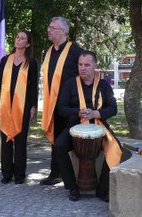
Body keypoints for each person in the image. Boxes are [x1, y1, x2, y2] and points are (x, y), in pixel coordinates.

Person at [55, 51, 122, 201]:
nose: (83, 68)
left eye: (87, 65)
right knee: (59, 146)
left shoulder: (104, 85)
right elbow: (61, 108)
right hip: (74, 127)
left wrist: (96, 113)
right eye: (80, 65)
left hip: (99, 126)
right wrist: (77, 112)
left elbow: (113, 109)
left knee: (116, 148)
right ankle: (72, 187)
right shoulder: (70, 84)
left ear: (94, 66)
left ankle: (103, 188)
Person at [40, 16, 84, 185]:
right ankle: (55, 173)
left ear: (63, 31)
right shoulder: (49, 51)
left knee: (71, 140)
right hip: (53, 103)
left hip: (71, 105)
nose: (49, 30)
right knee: (55, 139)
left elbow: (83, 75)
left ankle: (75, 176)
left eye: (52, 28)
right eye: (49, 27)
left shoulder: (76, 52)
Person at [0, 30, 38, 185]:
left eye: (22, 38)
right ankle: (6, 173)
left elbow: (33, 88)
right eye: (17, 37)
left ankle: (19, 174)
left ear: (28, 43)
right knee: (5, 139)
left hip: (22, 106)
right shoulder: (5, 60)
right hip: (4, 105)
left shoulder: (31, 62)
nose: (18, 40)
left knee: (20, 141)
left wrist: (33, 106)